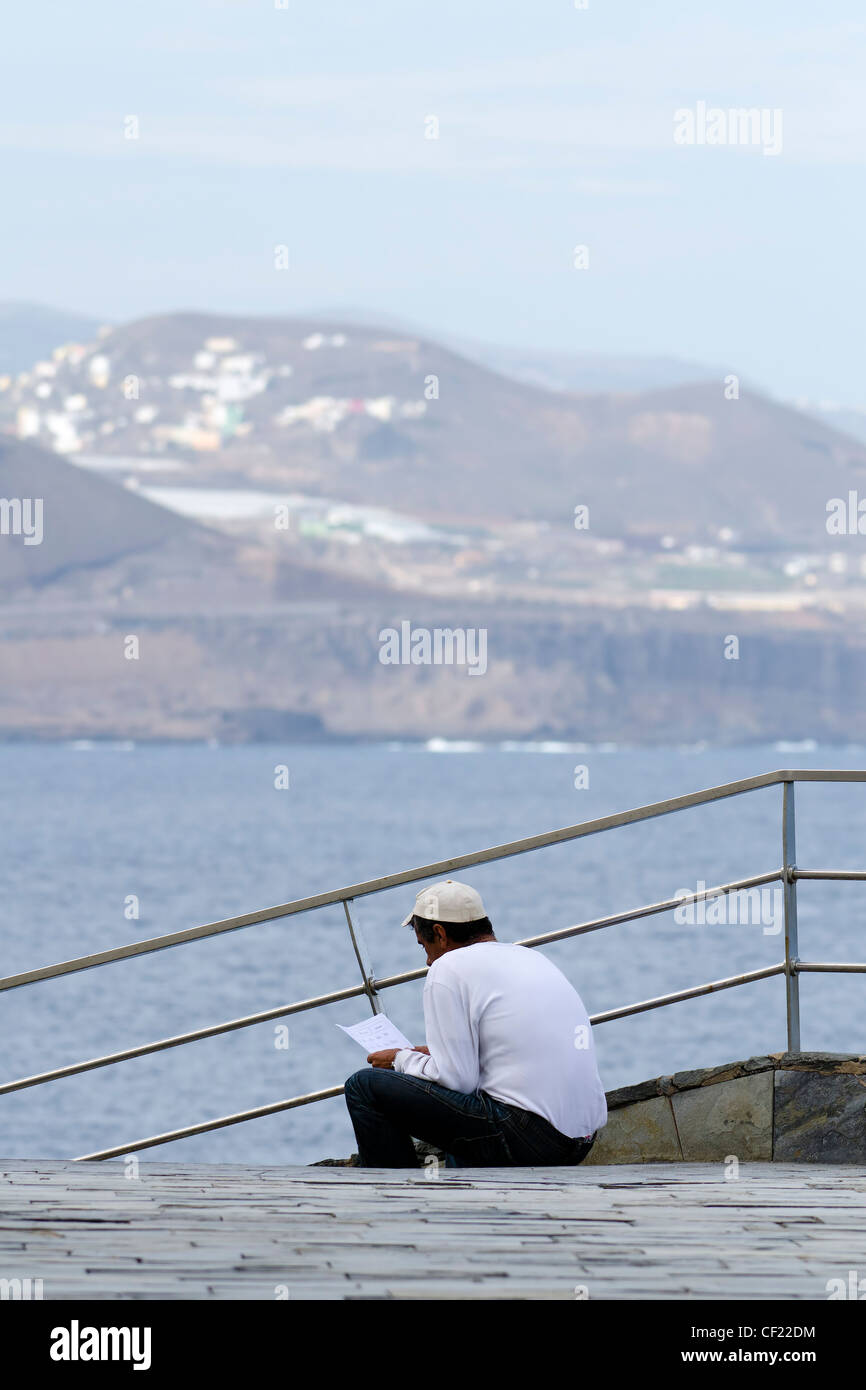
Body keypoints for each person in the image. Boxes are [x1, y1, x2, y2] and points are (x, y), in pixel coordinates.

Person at [343, 879, 607, 1167]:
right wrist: (428, 1056)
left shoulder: (447, 968)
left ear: (441, 934)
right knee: (469, 1108)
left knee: (363, 1086)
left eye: (424, 947)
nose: (429, 961)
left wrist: (400, 1060)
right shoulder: (531, 957)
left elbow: (457, 1080)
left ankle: (397, 1196)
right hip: (581, 1140)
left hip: (531, 1139)